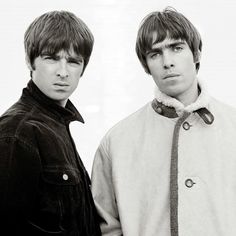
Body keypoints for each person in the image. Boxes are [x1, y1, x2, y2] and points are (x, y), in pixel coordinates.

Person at [91, 7, 236, 236]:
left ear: (196, 54)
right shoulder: (117, 142)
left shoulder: (233, 128)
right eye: (155, 54)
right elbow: (105, 226)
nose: (167, 62)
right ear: (146, 65)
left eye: (177, 48)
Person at [0, 10, 101, 235]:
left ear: (83, 68)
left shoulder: (56, 124)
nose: (63, 72)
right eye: (51, 58)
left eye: (73, 61)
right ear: (30, 60)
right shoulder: (17, 131)